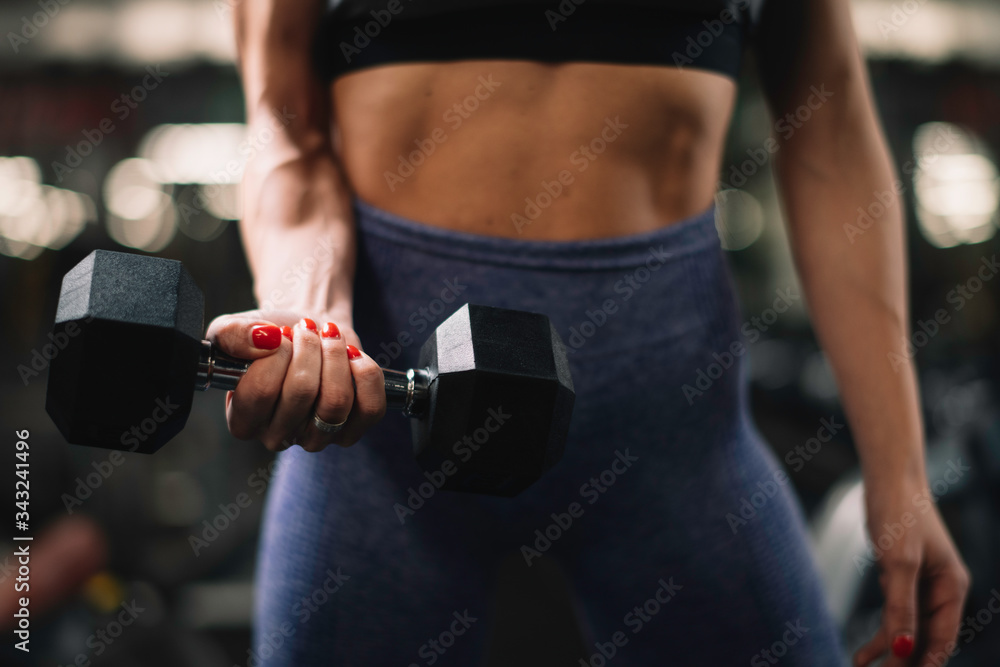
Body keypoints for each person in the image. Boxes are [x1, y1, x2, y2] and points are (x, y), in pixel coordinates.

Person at [206, 0, 970, 664]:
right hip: (380, 418)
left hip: (670, 416)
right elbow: (282, 121)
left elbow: (827, 124)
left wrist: (898, 471)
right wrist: (311, 321)